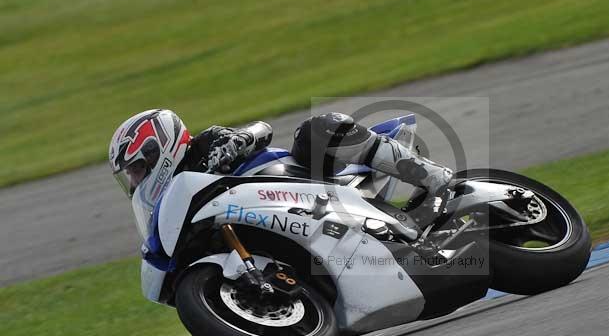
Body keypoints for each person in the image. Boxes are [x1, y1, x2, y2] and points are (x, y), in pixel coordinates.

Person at [109, 109, 452, 225]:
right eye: (130, 177)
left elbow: (261, 129)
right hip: (266, 219)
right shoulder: (175, 202)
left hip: (297, 184)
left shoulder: (206, 142)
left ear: (157, 149)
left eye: (137, 170)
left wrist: (238, 141)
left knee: (316, 129)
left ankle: (441, 181)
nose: (136, 181)